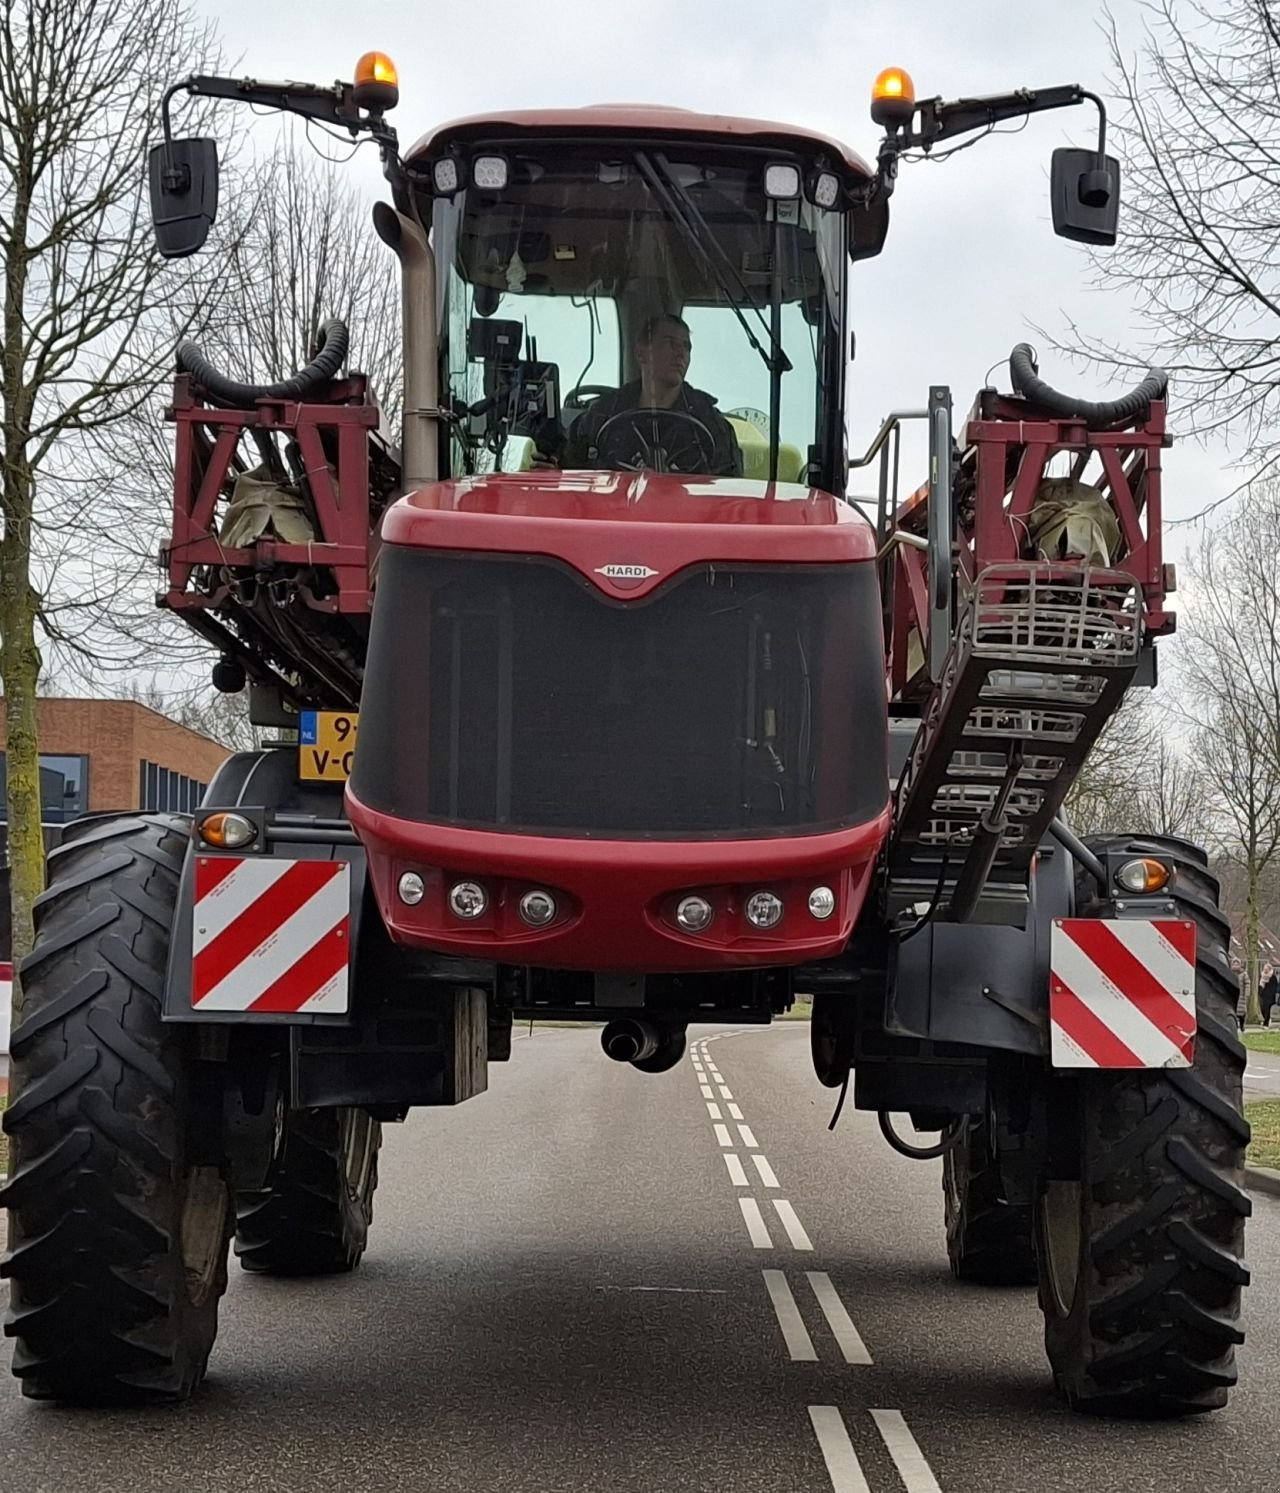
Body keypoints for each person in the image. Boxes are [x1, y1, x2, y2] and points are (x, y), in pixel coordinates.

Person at [549, 313, 741, 476]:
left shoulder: (711, 423)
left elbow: (728, 492)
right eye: (669, 343)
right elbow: (567, 469)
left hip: (685, 518)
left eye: (686, 347)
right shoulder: (600, 415)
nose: (680, 353)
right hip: (612, 515)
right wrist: (552, 464)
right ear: (641, 353)